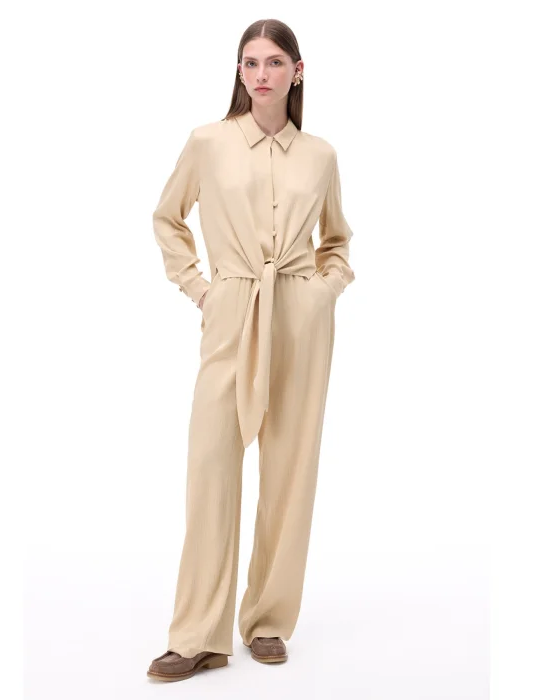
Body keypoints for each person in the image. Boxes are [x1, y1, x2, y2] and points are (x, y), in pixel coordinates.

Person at [147, 18, 355, 683]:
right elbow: (167, 217)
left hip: (299, 314)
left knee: (290, 470)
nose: (261, 74)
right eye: (250, 62)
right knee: (211, 465)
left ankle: (267, 621)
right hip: (233, 307)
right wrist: (201, 290)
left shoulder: (319, 156)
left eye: (273, 62)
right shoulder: (208, 142)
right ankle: (197, 634)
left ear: (298, 71)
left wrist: (321, 293)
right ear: (239, 72)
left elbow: (337, 242)